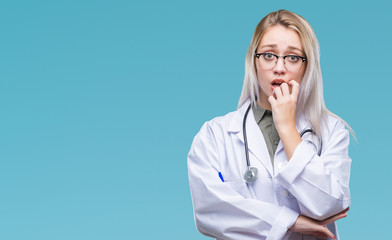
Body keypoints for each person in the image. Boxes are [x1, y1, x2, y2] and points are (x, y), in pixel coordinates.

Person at [187, 9, 353, 240]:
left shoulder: (331, 131)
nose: (279, 67)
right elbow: (208, 211)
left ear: (307, 66)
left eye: (293, 57)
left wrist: (286, 127)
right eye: (268, 55)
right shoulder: (215, 135)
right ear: (253, 61)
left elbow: (329, 206)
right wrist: (290, 221)